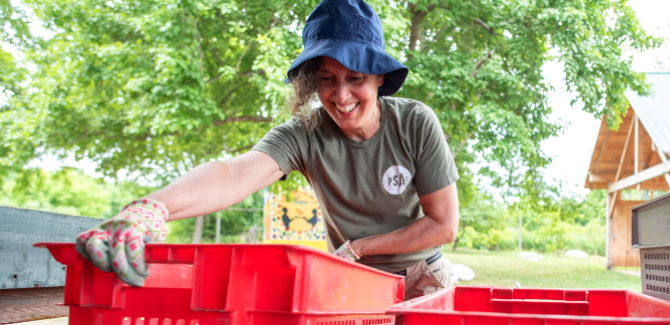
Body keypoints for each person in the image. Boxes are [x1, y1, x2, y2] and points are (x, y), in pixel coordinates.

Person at [75, 0, 459, 301]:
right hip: (351, 280)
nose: (340, 96)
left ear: (378, 77)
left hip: (420, 277)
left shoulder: (415, 122)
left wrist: (358, 247)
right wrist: (151, 207)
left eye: (354, 78)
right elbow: (231, 175)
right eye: (326, 80)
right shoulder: (305, 132)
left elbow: (443, 225)